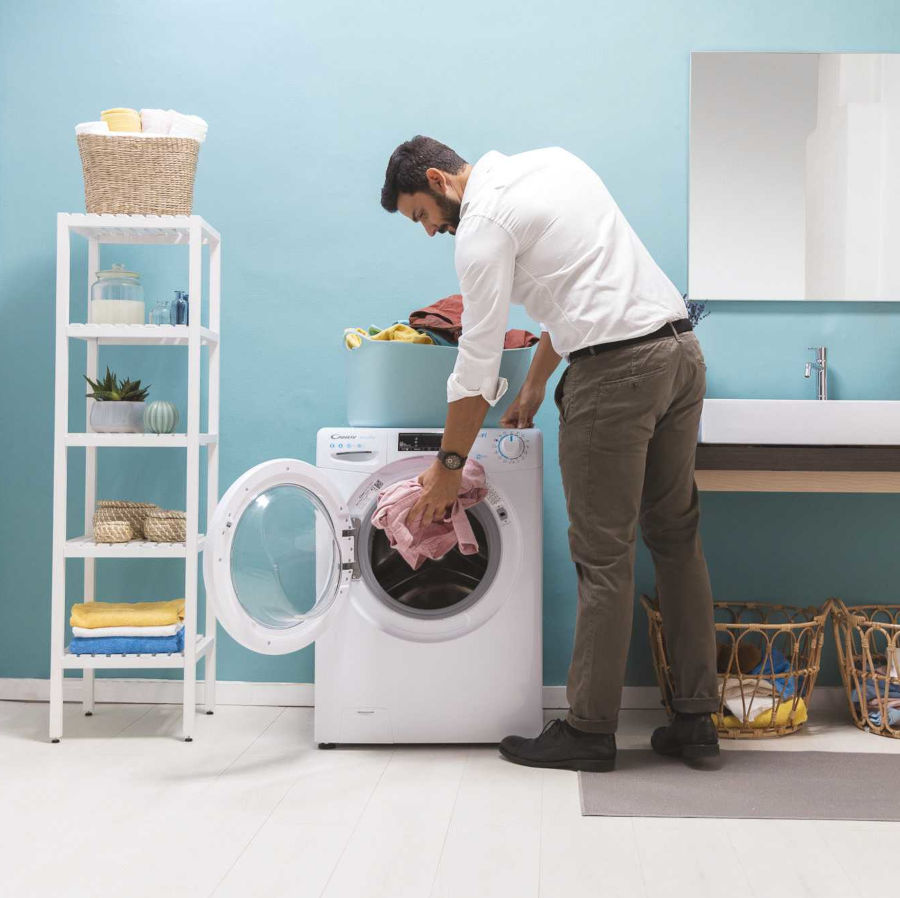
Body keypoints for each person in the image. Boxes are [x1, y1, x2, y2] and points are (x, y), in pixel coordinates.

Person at [380, 136, 720, 772]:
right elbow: (582, 288)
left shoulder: (479, 228)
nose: (429, 231)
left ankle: (590, 731)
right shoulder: (555, 164)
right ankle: (698, 724)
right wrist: (535, 384)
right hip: (679, 354)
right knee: (676, 540)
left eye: (422, 215)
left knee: (604, 554)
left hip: (616, 377)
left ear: (438, 179)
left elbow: (476, 366)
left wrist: (447, 467)